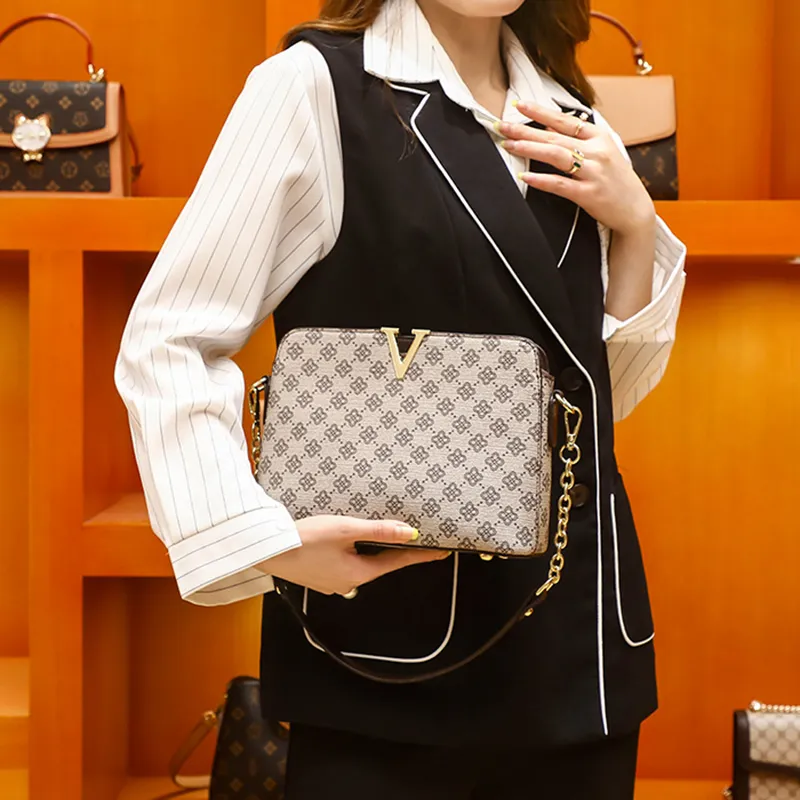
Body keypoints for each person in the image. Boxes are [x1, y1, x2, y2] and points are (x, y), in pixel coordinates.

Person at [115, 0, 687, 797]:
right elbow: (170, 338)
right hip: (390, 657)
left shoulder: (568, 114)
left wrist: (636, 226)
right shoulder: (312, 88)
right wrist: (258, 539)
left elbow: (596, 403)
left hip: (584, 647)